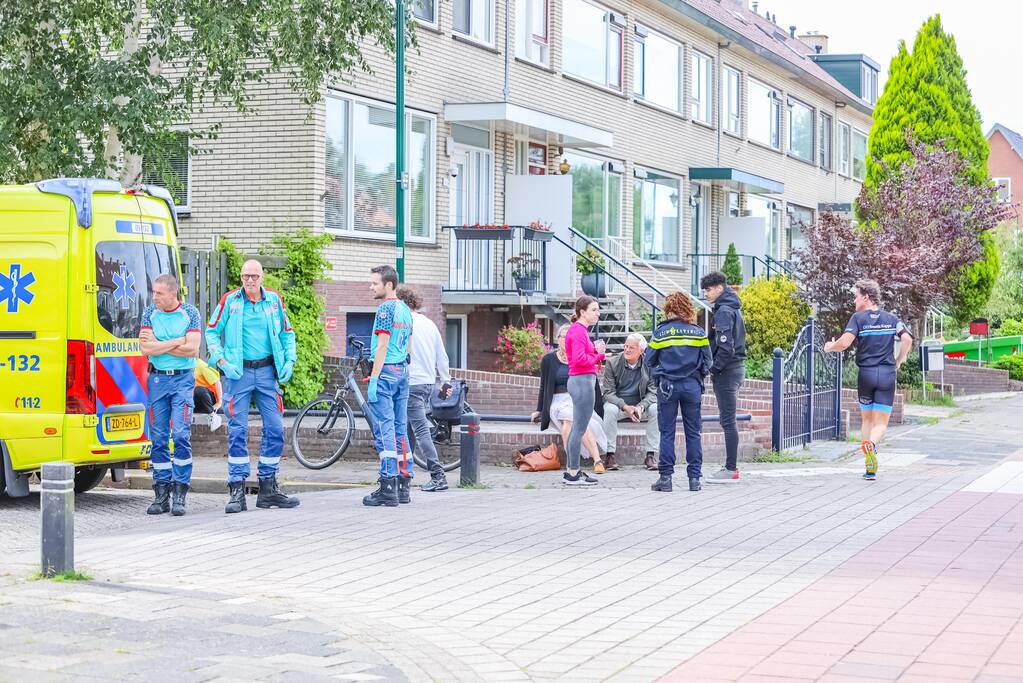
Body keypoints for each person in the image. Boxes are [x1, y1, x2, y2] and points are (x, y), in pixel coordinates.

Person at [206, 259, 299, 513]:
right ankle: (237, 490)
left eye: (254, 276)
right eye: (245, 276)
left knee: (275, 428)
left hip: (268, 372)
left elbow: (287, 333)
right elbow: (211, 332)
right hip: (239, 374)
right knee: (238, 430)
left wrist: (290, 360)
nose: (249, 280)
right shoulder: (230, 301)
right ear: (241, 277)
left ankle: (268, 488)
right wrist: (221, 361)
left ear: (262, 277)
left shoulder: (274, 300)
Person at [824, 279, 912, 481]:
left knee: (867, 420)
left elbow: (844, 343)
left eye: (856, 296)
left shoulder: (858, 319)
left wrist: (830, 347)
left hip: (866, 374)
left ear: (865, 297)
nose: (854, 300)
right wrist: (899, 359)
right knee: (881, 424)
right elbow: (907, 338)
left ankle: (869, 466)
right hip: (887, 375)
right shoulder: (892, 318)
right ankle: (871, 446)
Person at [139, 274, 201, 516]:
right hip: (157, 380)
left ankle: (180, 492)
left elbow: (192, 349)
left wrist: (160, 344)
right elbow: (145, 348)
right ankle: (161, 493)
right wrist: (177, 341)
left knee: (182, 434)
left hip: (182, 380)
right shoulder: (149, 313)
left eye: (159, 293)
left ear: (172, 294)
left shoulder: (190, 313)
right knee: (158, 437)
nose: (154, 297)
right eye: (154, 292)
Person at [646, 292, 712, 493]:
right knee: (693, 432)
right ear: (688, 307)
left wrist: (661, 373)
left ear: (669, 308)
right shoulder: (698, 333)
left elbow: (649, 360)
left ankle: (665, 478)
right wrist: (697, 374)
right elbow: (708, 362)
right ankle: (694, 479)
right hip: (692, 386)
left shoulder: (661, 333)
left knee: (667, 432)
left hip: (667, 387)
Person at [362, 265, 415, 507]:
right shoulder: (405, 310)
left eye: (375, 283)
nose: (371, 287)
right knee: (400, 429)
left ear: (389, 285)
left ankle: (388, 486)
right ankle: (404, 484)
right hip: (402, 372)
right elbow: (409, 346)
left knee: (385, 429)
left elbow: (382, 345)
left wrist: (374, 378)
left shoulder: (385, 309)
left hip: (386, 373)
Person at [396, 286, 453, 493]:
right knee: (409, 431)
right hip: (427, 383)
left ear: (402, 303)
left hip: (411, 382)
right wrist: (445, 381)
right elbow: (442, 356)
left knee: (419, 431)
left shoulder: (403, 323)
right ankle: (404, 476)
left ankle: (438, 476)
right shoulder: (430, 324)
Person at [532, 324, 607, 472]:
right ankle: (596, 460)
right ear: (558, 339)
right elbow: (543, 386)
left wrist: (598, 407)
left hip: (577, 399)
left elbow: (593, 384)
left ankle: (572, 465)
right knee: (575, 419)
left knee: (570, 422)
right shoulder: (548, 360)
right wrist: (539, 409)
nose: (567, 341)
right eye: (564, 337)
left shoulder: (580, 358)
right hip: (557, 401)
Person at [700, 271, 747, 483]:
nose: (706, 294)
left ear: (720, 288)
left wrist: (713, 368)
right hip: (735, 368)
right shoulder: (731, 307)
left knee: (727, 420)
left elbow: (726, 347)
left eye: (709, 290)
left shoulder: (724, 311)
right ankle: (730, 466)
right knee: (728, 419)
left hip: (727, 371)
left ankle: (730, 468)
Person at [563, 296, 607, 485]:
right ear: (582, 312)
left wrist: (595, 353)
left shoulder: (579, 330)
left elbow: (581, 356)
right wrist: (600, 356)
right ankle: (573, 473)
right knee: (579, 429)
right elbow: (579, 359)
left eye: (598, 310)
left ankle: (571, 471)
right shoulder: (579, 331)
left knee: (577, 428)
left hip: (581, 381)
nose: (598, 314)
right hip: (582, 382)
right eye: (594, 310)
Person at [601, 333, 658, 471]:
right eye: (626, 346)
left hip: (639, 409)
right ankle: (609, 455)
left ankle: (651, 455)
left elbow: (653, 392)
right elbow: (608, 393)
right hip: (619, 407)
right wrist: (624, 406)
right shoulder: (612, 363)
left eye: (631, 347)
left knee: (656, 409)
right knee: (609, 410)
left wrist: (641, 406)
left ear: (641, 350)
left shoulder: (649, 364)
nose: (627, 350)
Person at [193, 358, 224, 432]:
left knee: (199, 389)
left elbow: (217, 382)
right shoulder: (180, 367)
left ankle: (212, 415)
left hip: (209, 400)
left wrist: (219, 402)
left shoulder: (200, 365)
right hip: (194, 402)